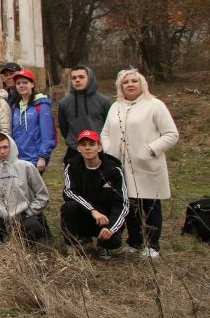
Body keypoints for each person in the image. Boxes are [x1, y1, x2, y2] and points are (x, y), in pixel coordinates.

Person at [100, 68, 179, 258]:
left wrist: (150, 149)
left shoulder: (155, 105)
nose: (130, 85)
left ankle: (153, 245)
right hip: (122, 165)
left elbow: (171, 134)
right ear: (120, 86)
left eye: (134, 81)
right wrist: (109, 151)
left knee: (150, 206)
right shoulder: (115, 106)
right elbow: (105, 133)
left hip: (147, 165)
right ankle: (134, 242)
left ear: (142, 84)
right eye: (126, 82)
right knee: (129, 206)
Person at [61, 130, 128, 259]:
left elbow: (122, 204)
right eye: (83, 144)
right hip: (84, 215)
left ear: (99, 147)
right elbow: (69, 191)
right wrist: (92, 210)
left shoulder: (114, 170)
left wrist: (111, 228)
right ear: (79, 149)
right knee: (68, 207)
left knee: (114, 240)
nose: (87, 148)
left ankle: (104, 246)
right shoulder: (72, 166)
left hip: (105, 220)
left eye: (91, 144)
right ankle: (72, 247)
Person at [0, 133, 50, 245]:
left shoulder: (26, 167)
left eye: (5, 147)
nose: (2, 151)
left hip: (22, 217)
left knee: (35, 229)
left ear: (12, 147)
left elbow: (42, 195)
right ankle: (2, 239)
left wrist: (29, 212)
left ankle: (21, 243)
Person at [57, 66, 113, 165]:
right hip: (74, 151)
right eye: (74, 78)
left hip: (99, 150)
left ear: (90, 78)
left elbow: (110, 126)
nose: (77, 80)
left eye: (81, 77)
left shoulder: (104, 101)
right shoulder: (64, 103)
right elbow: (64, 128)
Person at [9, 70, 55, 172]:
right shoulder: (15, 107)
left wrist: (43, 157)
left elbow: (47, 133)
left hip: (35, 157)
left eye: (25, 82)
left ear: (32, 84)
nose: (21, 85)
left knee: (33, 187)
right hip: (17, 157)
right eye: (18, 83)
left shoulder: (41, 105)